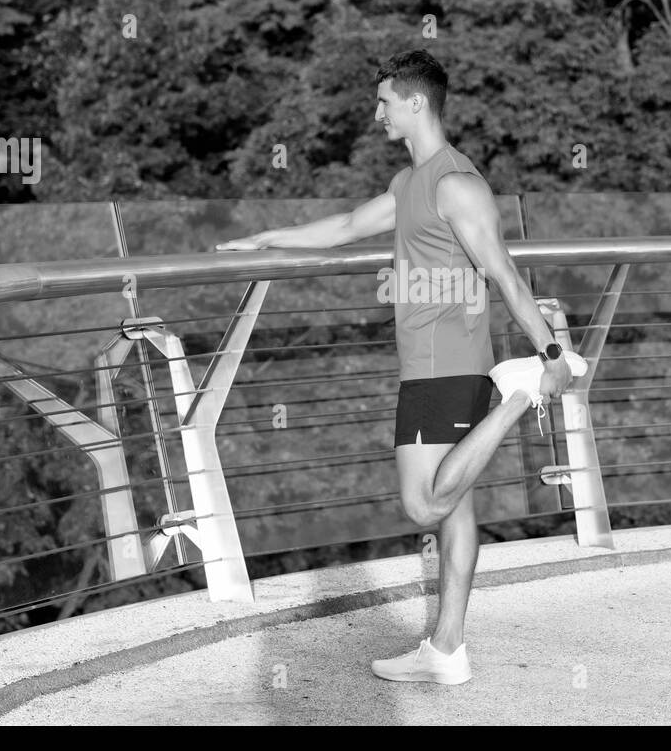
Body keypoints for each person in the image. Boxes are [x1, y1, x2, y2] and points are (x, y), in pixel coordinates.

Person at [217, 48, 585, 684]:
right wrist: (267, 238)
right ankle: (447, 649)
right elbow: (347, 225)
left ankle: (520, 397)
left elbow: (502, 272)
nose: (376, 112)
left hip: (443, 369)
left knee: (423, 507)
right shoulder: (408, 184)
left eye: (385, 101)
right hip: (439, 365)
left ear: (417, 103)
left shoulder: (455, 184)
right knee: (458, 513)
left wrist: (549, 356)